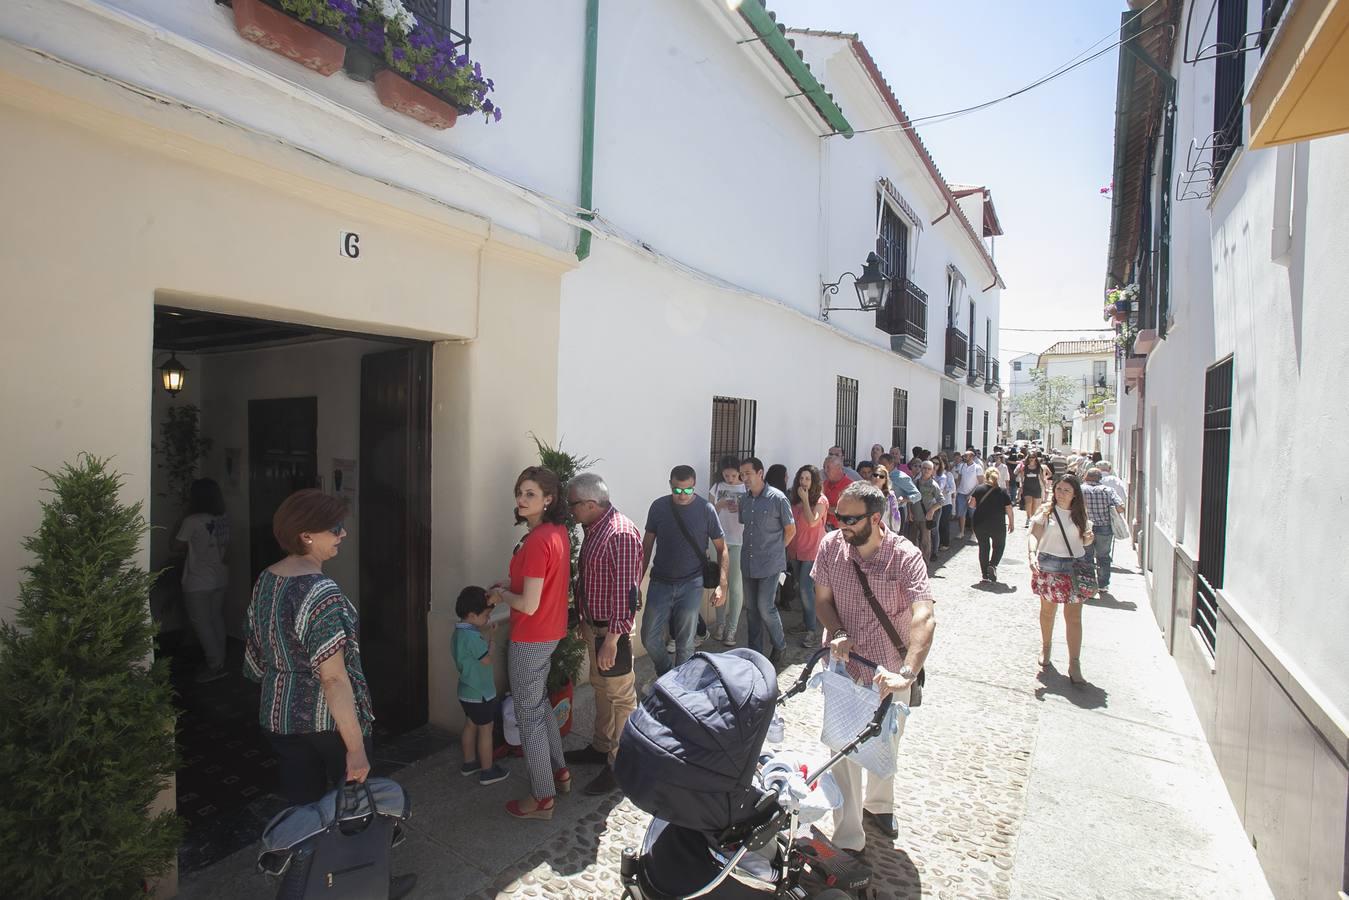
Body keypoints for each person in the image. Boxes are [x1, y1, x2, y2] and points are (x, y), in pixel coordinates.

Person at [814, 481, 935, 852]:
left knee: (886, 744)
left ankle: (880, 806)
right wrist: (836, 630)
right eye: (838, 516)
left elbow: (924, 615)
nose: (841, 525)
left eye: (850, 519)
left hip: (890, 672)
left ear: (877, 519)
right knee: (841, 748)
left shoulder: (905, 556)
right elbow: (821, 600)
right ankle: (849, 835)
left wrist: (907, 673)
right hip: (845, 668)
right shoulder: (831, 547)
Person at [244, 489, 372, 805]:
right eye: (334, 528)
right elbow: (333, 678)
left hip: (278, 716)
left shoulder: (267, 578)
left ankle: (304, 854)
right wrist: (355, 749)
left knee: (303, 808)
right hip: (327, 724)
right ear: (305, 536)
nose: (344, 533)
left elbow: (256, 649)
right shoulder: (320, 592)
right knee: (352, 807)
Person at [488, 467, 572, 820]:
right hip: (550, 632)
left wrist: (501, 595)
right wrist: (509, 582)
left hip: (531, 636)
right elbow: (541, 583)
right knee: (538, 707)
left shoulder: (539, 540)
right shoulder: (556, 532)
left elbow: (528, 603)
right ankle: (559, 773)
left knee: (529, 717)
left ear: (549, 499)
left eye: (531, 494)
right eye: (520, 492)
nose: (521, 500)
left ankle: (542, 798)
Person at [565, 472, 643, 795]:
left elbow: (627, 594)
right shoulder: (594, 528)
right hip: (594, 627)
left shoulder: (620, 534)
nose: (571, 511)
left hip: (612, 632)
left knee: (621, 697)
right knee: (601, 689)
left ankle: (620, 762)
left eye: (573, 505)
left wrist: (612, 639)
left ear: (590, 503)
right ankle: (601, 747)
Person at [641, 465, 728, 676]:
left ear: (694, 485)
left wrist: (722, 585)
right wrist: (637, 580)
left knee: (685, 643)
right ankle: (666, 673)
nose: (682, 495)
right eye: (677, 490)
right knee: (649, 637)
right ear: (671, 485)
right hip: (660, 581)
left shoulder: (706, 509)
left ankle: (680, 689)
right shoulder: (659, 507)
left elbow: (721, 547)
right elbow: (647, 545)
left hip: (691, 583)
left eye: (688, 490)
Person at [1028, 475, 1095, 685]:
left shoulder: (1080, 515)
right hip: (1049, 564)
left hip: (1074, 566)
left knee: (1074, 617)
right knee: (1048, 612)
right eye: (1059, 489)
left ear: (1075, 493)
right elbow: (1034, 535)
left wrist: (1088, 537)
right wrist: (1031, 554)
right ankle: (1046, 647)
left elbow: (1084, 540)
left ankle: (1074, 663)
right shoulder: (1046, 511)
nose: (1061, 493)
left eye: (1066, 490)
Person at [738, 457, 796, 666]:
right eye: (742, 475)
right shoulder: (744, 500)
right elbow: (746, 525)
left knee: (765, 606)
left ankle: (780, 645)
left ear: (760, 473)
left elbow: (790, 530)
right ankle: (755, 654)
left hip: (770, 563)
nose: (744, 478)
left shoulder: (777, 498)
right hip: (749, 562)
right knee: (752, 610)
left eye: (748, 474)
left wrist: (776, 551)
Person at [176, 477, 231, 683]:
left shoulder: (191, 521)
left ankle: (214, 665)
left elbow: (177, 546)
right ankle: (221, 660)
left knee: (202, 623)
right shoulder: (223, 517)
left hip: (198, 580)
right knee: (216, 618)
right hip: (220, 576)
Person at [453, 586, 508, 786]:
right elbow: (486, 659)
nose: (487, 619)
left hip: (466, 691)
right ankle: (488, 770)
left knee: (470, 724)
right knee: (486, 729)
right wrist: (492, 640)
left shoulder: (458, 633)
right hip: (481, 693)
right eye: (485, 615)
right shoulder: (473, 637)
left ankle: (469, 763)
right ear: (471, 615)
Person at [788, 465, 829, 648]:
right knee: (800, 588)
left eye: (807, 479)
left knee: (806, 588)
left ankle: (812, 630)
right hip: (796, 549)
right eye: (801, 478)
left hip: (812, 550)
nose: (803, 482)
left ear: (814, 482)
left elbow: (813, 521)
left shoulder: (820, 500)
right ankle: (806, 622)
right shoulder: (793, 499)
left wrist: (805, 500)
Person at [707, 456, 747, 646]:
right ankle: (720, 625)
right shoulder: (716, 488)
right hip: (719, 541)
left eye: (733, 475)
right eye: (726, 475)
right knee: (719, 584)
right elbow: (708, 512)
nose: (730, 479)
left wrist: (740, 508)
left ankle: (732, 629)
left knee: (736, 587)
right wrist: (720, 506)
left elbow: (751, 514)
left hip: (739, 541)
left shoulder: (746, 488)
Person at [1082, 468, 1125, 595]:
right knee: (1103, 556)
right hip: (1104, 527)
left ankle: (1088, 584)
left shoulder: (1080, 489)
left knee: (1086, 556)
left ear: (1086, 476)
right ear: (1099, 478)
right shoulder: (1108, 490)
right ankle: (1103, 584)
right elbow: (1121, 507)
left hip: (1085, 527)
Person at [968, 468, 1015, 583]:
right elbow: (1009, 508)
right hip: (997, 524)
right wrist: (1011, 522)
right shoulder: (1002, 491)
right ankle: (993, 565)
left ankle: (984, 575)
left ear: (985, 476)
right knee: (999, 546)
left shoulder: (979, 489)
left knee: (983, 547)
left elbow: (971, 505)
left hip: (980, 523)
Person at [914, 460, 943, 562]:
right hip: (914, 516)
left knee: (925, 542)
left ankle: (925, 563)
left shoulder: (934, 485)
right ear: (921, 469)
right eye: (924, 468)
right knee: (913, 541)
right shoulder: (915, 482)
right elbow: (910, 499)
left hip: (925, 518)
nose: (926, 470)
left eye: (929, 469)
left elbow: (941, 501)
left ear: (932, 471)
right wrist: (909, 513)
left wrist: (931, 511)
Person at [952, 450, 983, 541]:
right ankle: (961, 532)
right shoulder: (962, 466)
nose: (964, 457)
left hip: (973, 495)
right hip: (961, 493)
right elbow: (959, 479)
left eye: (966, 456)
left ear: (972, 457)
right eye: (964, 456)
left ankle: (974, 534)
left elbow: (980, 483)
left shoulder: (977, 468)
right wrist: (956, 490)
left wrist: (971, 494)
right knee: (961, 514)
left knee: (973, 514)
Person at [1016, 450, 1048, 524]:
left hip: (1036, 488)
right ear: (1028, 458)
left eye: (1033, 457)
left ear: (1035, 458)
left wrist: (1045, 488)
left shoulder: (1038, 467)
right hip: (1027, 488)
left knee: (1035, 505)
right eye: (1030, 457)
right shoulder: (1024, 468)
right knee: (1028, 503)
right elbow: (1022, 479)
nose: (1031, 459)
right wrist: (1021, 488)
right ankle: (1028, 518)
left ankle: (1033, 519)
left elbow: (1042, 478)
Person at [822, 456, 854, 530]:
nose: (825, 470)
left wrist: (824, 508)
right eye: (824, 467)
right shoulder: (824, 484)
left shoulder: (850, 486)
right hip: (824, 529)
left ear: (838, 468)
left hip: (841, 530)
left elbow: (845, 510)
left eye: (828, 467)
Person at [871, 465, 905, 533]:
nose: (877, 478)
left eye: (881, 476)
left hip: (885, 532)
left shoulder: (890, 496)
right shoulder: (864, 494)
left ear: (885, 480)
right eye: (875, 475)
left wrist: (894, 532)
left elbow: (895, 516)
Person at [933, 457, 955, 554]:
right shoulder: (930, 474)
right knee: (936, 525)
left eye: (937, 463)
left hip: (945, 502)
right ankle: (937, 544)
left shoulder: (947, 475)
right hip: (933, 504)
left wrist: (945, 491)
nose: (934, 465)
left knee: (943, 523)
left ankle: (945, 543)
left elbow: (952, 488)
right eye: (933, 463)